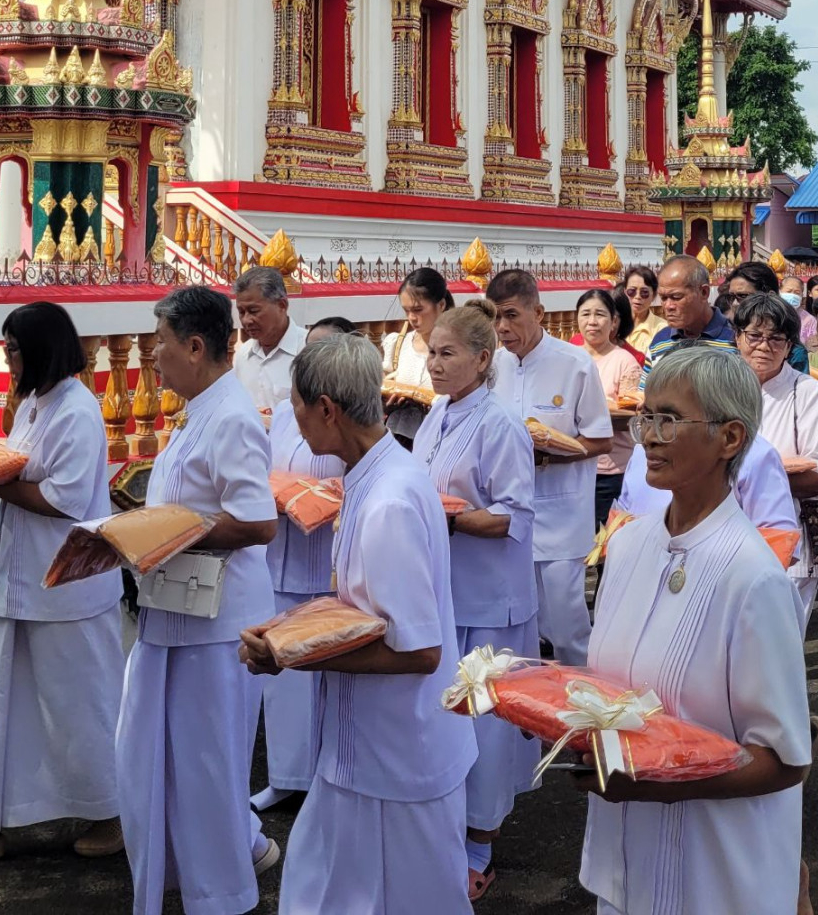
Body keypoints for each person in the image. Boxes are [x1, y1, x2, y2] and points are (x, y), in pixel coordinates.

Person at [245, 336, 477, 914]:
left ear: (326, 408)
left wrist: (293, 655)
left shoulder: (390, 499)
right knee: (325, 888)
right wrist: (300, 629)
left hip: (397, 753)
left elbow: (419, 651)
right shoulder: (375, 475)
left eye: (296, 408)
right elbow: (367, 613)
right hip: (365, 749)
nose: (291, 423)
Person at [578, 346, 813, 914]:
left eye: (669, 420)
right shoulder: (629, 544)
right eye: (646, 418)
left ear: (730, 438)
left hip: (716, 871)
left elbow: (785, 758)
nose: (649, 437)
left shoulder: (752, 577)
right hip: (624, 850)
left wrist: (657, 783)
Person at [118, 287, 282, 915]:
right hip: (179, 610)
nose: (152, 354)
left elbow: (257, 522)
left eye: (160, 341)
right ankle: (201, 869)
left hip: (219, 625)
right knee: (156, 758)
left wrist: (165, 531)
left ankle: (223, 895)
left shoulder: (232, 415)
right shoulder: (200, 411)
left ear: (194, 346)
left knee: (208, 770)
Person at [0, 303, 123, 861]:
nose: (7, 356)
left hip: (66, 586)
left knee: (80, 710)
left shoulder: (77, 409)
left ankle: (112, 813)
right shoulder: (33, 402)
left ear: (42, 349)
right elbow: (16, 461)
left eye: (15, 347)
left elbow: (63, 498)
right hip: (20, 581)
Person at [411, 304, 538, 895]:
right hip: (446, 589)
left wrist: (449, 519)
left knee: (484, 720)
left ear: (482, 360)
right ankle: (444, 829)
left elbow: (512, 515)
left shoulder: (500, 424)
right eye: (431, 351)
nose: (434, 364)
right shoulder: (437, 412)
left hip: (489, 596)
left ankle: (479, 844)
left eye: (447, 353)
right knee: (446, 716)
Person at [488, 267, 611, 667]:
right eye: (495, 316)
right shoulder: (491, 366)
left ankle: (587, 715)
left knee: (567, 630)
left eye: (510, 315)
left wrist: (547, 452)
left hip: (560, 517)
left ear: (538, 313)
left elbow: (599, 439)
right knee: (518, 629)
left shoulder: (574, 364)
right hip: (506, 520)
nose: (502, 327)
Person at [251, 331, 348, 814]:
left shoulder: (349, 419)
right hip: (280, 555)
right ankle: (285, 775)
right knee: (283, 677)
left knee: (323, 675)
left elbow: (352, 481)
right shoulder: (286, 416)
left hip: (323, 560)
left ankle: (325, 777)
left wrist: (315, 495)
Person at [737, 293, 818, 627]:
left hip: (791, 535)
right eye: (754, 336)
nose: (763, 346)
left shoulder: (805, 391)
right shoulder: (721, 387)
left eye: (775, 338)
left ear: (789, 345)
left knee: (782, 637)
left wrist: (741, 480)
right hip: (729, 535)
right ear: (738, 337)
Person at [574, 286, 643, 532]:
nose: (592, 322)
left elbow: (629, 412)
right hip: (573, 462)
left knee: (606, 541)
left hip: (611, 469)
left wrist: (590, 408)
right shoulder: (569, 358)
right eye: (586, 314)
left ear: (613, 321)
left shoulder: (624, 361)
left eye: (600, 315)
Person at [382, 266, 453, 443]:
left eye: (418, 310)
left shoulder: (459, 350)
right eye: (407, 311)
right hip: (399, 438)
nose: (412, 318)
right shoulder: (399, 344)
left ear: (441, 305)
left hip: (441, 439)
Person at [233, 266, 307, 411]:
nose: (247, 320)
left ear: (282, 305)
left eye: (254, 311)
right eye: (241, 312)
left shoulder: (307, 352)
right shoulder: (243, 355)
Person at [647, 254, 737, 368]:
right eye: (663, 298)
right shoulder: (660, 341)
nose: (668, 306)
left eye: (676, 297)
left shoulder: (734, 339)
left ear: (704, 292)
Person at [622, 264, 666, 350]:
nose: (637, 297)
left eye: (644, 292)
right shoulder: (615, 325)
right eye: (632, 291)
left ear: (653, 295)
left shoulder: (662, 329)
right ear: (624, 292)